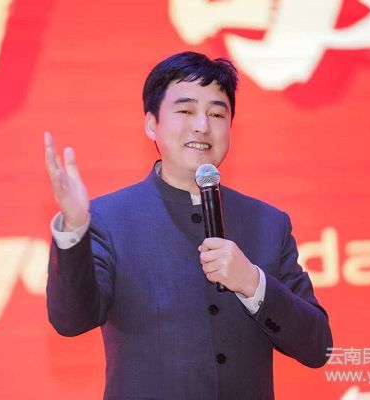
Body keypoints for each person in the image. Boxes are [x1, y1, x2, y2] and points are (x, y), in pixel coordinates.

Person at [44, 51, 332, 400]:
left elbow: (318, 346)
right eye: (185, 111)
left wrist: (252, 283)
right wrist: (75, 228)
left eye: (217, 113)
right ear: (151, 124)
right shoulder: (110, 219)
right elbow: (71, 320)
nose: (202, 126)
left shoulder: (268, 222)